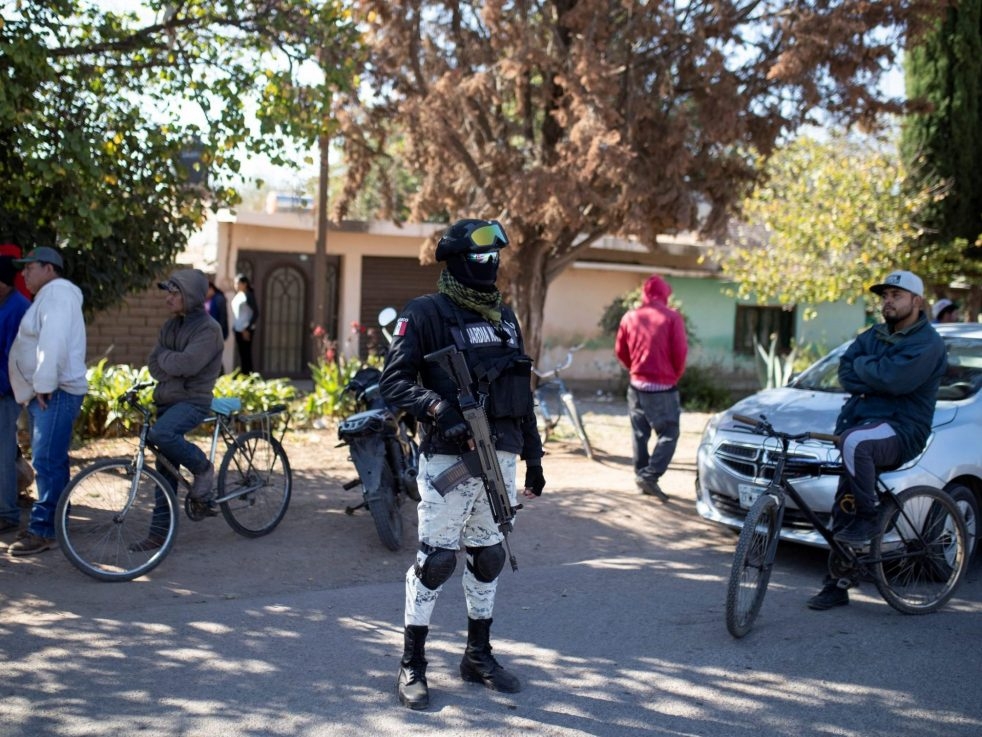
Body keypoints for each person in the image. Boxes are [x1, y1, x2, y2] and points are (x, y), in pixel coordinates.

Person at [379, 218, 545, 710]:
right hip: (449, 458)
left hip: (504, 453)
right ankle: (412, 663)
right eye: (481, 255)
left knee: (489, 554)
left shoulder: (505, 318)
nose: (491, 263)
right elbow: (394, 382)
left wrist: (534, 457)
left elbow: (522, 393)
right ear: (454, 258)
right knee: (435, 562)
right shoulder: (425, 313)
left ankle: (478, 655)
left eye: (497, 254)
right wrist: (438, 409)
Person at [807, 269, 947, 610]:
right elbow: (845, 370)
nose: (888, 302)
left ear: (916, 301)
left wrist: (868, 370)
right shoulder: (874, 335)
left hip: (902, 429)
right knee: (845, 501)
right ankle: (838, 583)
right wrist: (878, 372)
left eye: (896, 296)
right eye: (884, 296)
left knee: (855, 444)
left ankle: (871, 517)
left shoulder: (928, 343)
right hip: (863, 423)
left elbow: (896, 382)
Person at [136, 269, 225, 551]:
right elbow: (153, 363)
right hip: (167, 399)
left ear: (190, 296)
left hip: (193, 400)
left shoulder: (209, 329)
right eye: (168, 292)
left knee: (161, 434)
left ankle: (202, 467)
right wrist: (168, 361)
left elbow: (187, 365)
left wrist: (167, 360)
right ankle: (159, 533)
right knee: (164, 470)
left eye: (174, 293)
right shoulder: (171, 326)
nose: (168, 298)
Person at [7, 246, 88, 556]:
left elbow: (51, 342)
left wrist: (43, 384)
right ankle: (56, 522)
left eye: (30, 267)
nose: (24, 273)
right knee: (52, 460)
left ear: (49, 269)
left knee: (46, 462)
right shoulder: (51, 296)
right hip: (53, 391)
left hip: (56, 392)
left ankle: (44, 531)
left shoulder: (57, 293)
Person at [614, 274, 688, 501]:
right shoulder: (672, 317)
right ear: (665, 293)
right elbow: (680, 352)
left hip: (636, 386)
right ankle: (650, 475)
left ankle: (641, 476)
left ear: (645, 294)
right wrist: (673, 376)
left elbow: (620, 351)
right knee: (669, 433)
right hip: (662, 387)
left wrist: (634, 369)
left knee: (640, 433)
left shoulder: (630, 317)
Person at [0, 256, 30, 535]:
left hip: (6, 393)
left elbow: (14, 358)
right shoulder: (6, 304)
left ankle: (7, 513)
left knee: (3, 455)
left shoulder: (19, 308)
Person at [231, 273, 259, 374]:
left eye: (237, 283)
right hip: (238, 328)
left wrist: (246, 328)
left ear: (244, 284)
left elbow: (255, 313)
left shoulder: (248, 295)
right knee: (241, 354)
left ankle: (249, 377)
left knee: (246, 354)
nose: (236, 285)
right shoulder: (239, 295)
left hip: (245, 329)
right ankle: (243, 376)